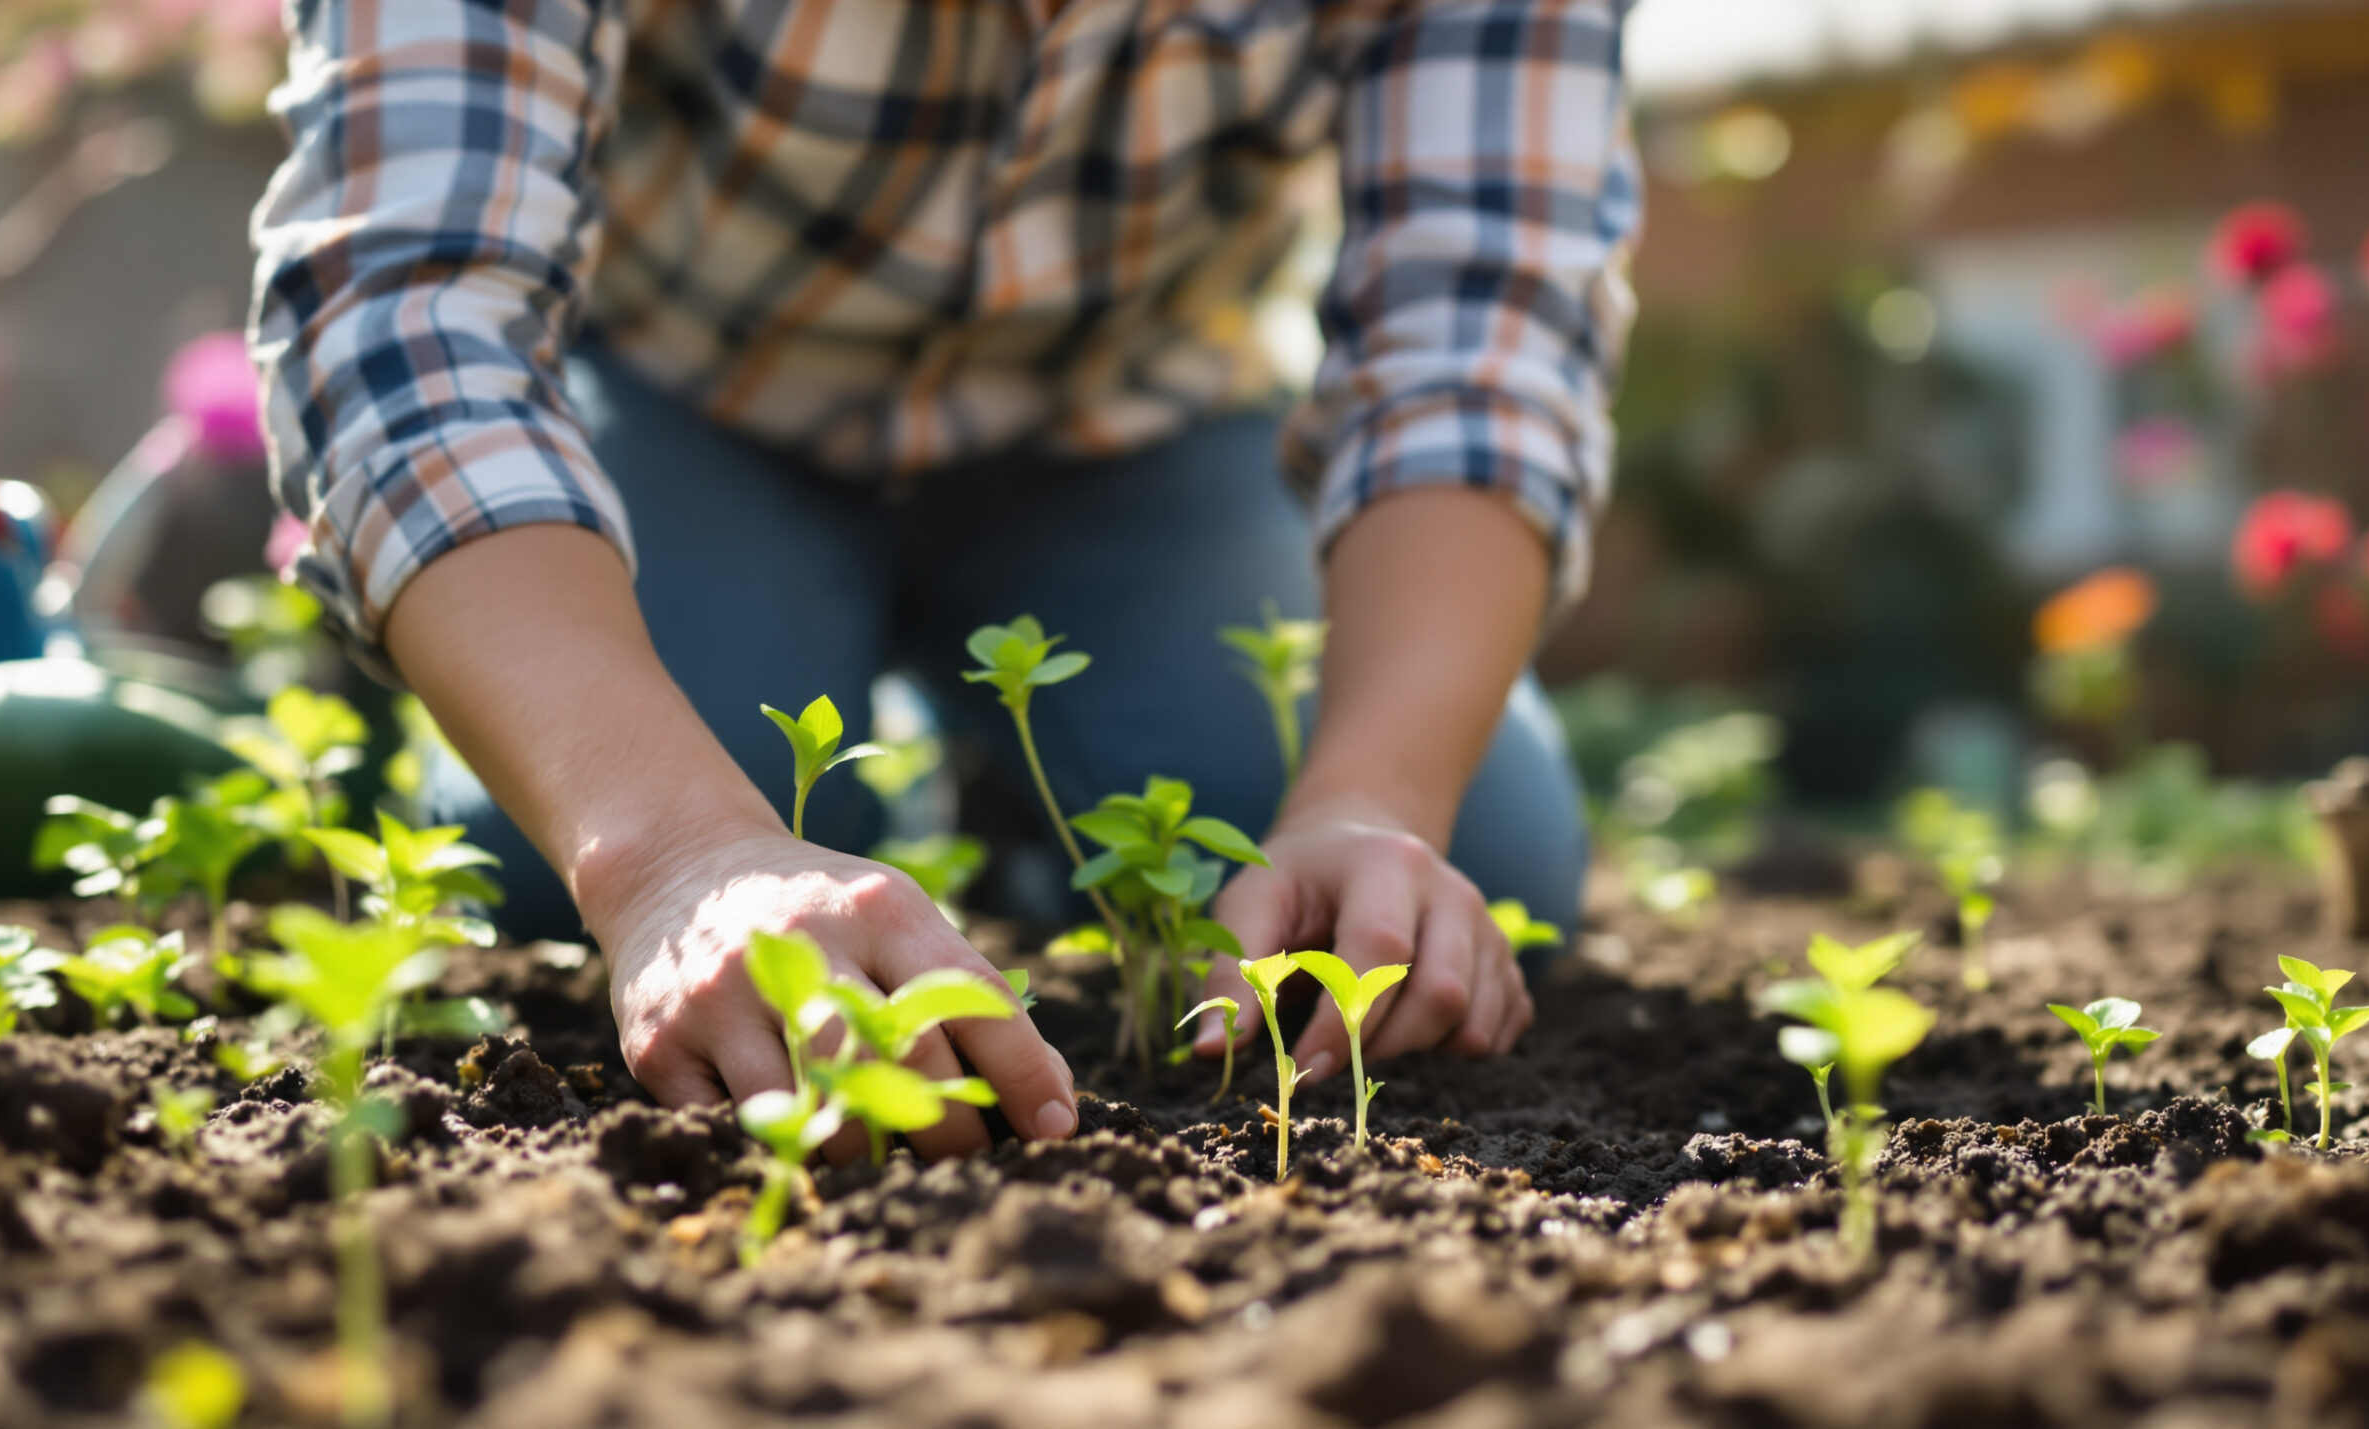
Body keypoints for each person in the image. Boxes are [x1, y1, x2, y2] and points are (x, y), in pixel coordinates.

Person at [249, 0, 1640, 1159]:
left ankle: (1000, 815)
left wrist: (1371, 795)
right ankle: (821, 802)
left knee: (1468, 870)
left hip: (1125, 424)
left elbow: (1484, 335)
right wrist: (674, 855)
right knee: (553, 883)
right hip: (693, 397)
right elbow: (405, 310)